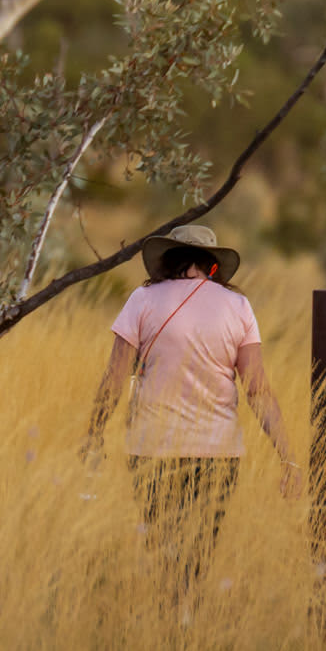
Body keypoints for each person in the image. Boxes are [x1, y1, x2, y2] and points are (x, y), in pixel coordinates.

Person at [80, 223, 303, 600]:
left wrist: (94, 433)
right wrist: (288, 458)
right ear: (211, 265)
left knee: (162, 548)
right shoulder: (238, 306)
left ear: (166, 263)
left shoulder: (142, 300)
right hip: (217, 453)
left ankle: (169, 626)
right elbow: (257, 389)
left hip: (152, 449)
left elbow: (115, 377)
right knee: (197, 555)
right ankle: (184, 624)